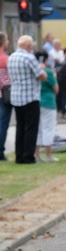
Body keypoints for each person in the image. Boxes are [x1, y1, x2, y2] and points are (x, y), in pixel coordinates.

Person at [7, 35, 48, 164]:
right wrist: (42, 68)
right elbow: (41, 77)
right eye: (32, 45)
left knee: (20, 127)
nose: (32, 48)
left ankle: (19, 156)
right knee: (31, 128)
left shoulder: (12, 57)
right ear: (28, 46)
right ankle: (28, 157)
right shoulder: (29, 58)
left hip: (16, 96)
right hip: (30, 96)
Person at [33, 51, 59, 162]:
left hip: (36, 101)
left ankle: (36, 154)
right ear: (46, 59)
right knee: (48, 128)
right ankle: (49, 155)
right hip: (48, 102)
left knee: (37, 128)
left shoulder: (34, 71)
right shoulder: (48, 71)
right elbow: (56, 89)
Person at [0, 32, 12, 161]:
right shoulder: (5, 59)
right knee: (3, 123)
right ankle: (0, 152)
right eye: (7, 41)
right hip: (4, 95)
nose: (8, 43)